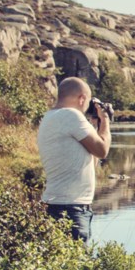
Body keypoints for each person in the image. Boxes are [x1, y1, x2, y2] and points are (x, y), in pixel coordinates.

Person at [37, 77, 110, 241]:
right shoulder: (71, 116)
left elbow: (94, 159)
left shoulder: (50, 117)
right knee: (76, 264)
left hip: (59, 204)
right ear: (82, 98)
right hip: (71, 208)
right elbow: (102, 150)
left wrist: (96, 126)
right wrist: (105, 121)